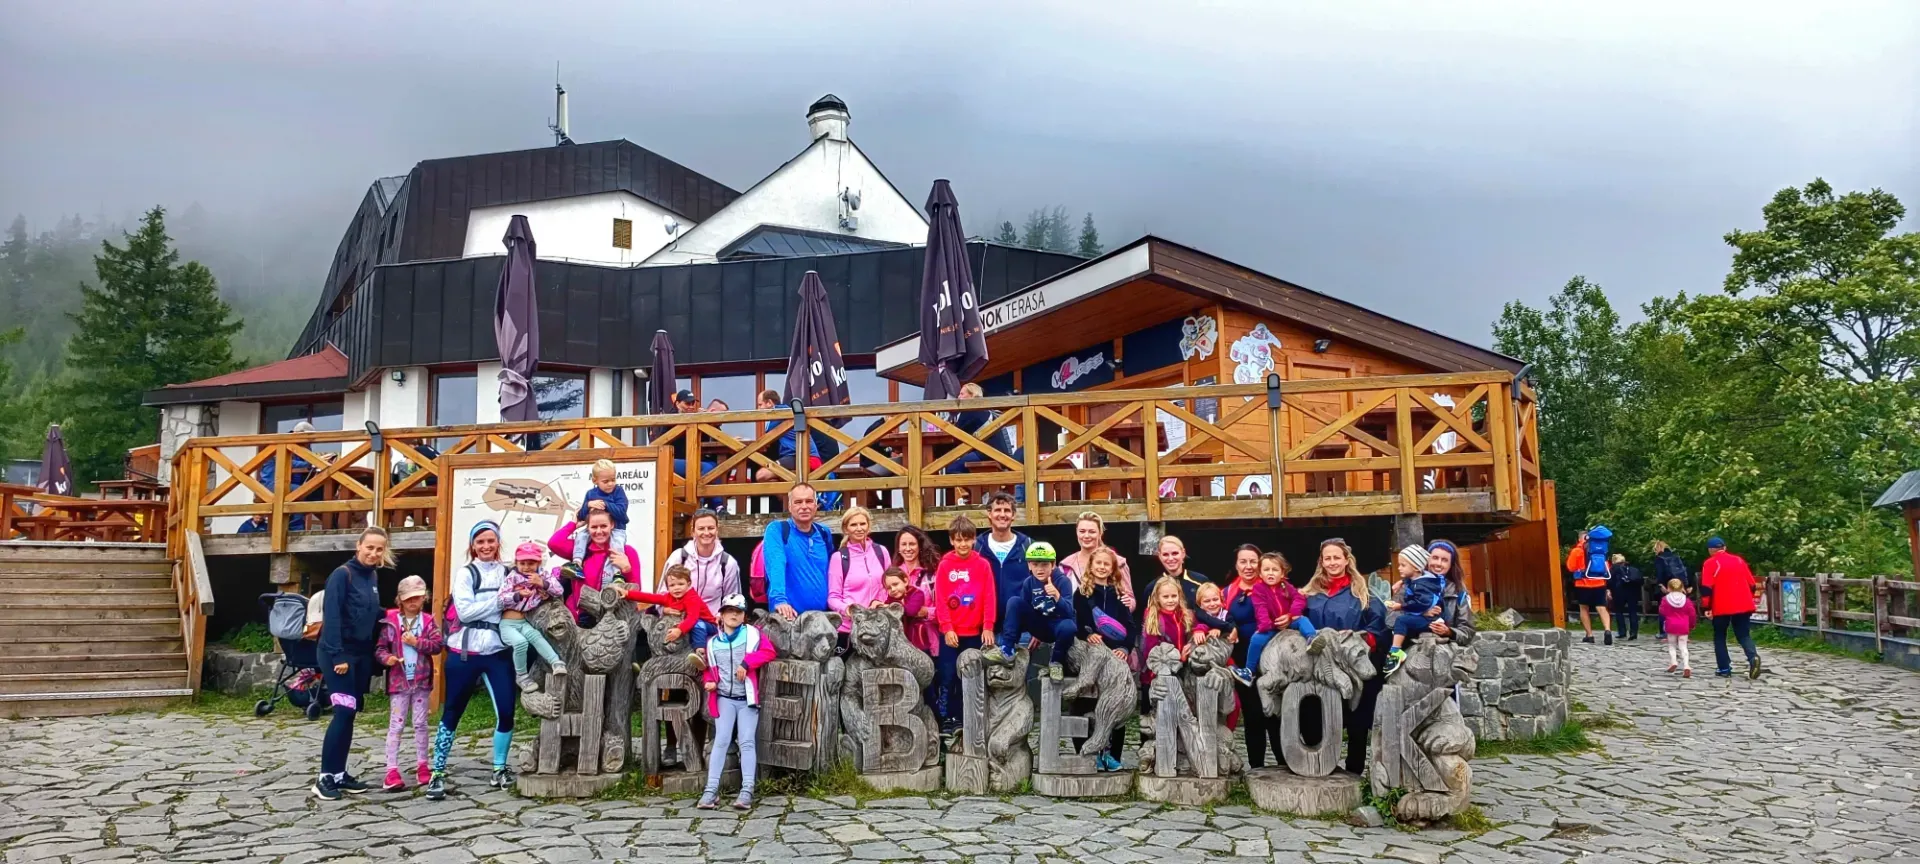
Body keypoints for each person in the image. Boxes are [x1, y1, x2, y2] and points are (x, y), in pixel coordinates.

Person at [427, 521, 519, 799]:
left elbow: (521, 600)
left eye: (491, 541)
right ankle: (438, 771)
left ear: (498, 542)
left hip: (497, 651)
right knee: (452, 711)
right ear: (472, 546)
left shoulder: (509, 572)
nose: (486, 546)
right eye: (480, 542)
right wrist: (501, 602)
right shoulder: (466, 573)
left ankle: (499, 768)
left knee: (506, 711)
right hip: (464, 652)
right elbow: (465, 613)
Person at [311, 526, 389, 801]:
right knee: (343, 712)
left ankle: (340, 774)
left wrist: (395, 614)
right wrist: (338, 656)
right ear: (359, 545)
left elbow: (370, 611)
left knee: (351, 712)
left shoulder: (373, 576)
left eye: (379, 549)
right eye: (369, 547)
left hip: (359, 654)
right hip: (337, 653)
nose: (374, 553)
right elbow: (332, 617)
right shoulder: (341, 575)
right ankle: (324, 778)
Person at [1302, 537, 1389, 775]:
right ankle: (1317, 766)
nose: (1332, 562)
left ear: (1346, 560)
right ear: (1321, 561)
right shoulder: (1310, 594)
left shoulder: (1362, 593)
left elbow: (1379, 626)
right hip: (1318, 666)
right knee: (1314, 716)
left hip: (1352, 665)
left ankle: (1353, 771)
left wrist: (1363, 638)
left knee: (1356, 720)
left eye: (1336, 557)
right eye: (1327, 558)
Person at [698, 592, 775, 811]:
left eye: (738, 611)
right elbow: (710, 670)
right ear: (721, 615)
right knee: (720, 741)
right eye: (729, 610)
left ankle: (747, 790)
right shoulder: (712, 643)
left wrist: (747, 663)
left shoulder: (753, 635)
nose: (733, 614)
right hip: (724, 698)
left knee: (747, 741)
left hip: (747, 699)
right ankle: (710, 791)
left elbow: (769, 652)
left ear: (744, 616)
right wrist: (710, 682)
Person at [375, 575, 443, 792]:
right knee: (396, 724)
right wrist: (388, 659)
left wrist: (417, 642)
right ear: (400, 600)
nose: (413, 602)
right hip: (399, 681)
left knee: (421, 724)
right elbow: (380, 649)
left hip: (421, 680)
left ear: (424, 598)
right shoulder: (390, 623)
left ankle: (423, 765)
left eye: (418, 598)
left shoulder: (428, 621)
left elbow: (437, 645)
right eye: (409, 598)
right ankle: (391, 770)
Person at [932, 514, 996, 734]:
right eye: (958, 540)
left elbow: (989, 596)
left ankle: (967, 718)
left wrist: (988, 626)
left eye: (967, 539)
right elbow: (940, 599)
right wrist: (947, 628)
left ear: (974, 540)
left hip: (974, 633)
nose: (962, 544)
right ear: (951, 541)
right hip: (951, 633)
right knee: (948, 676)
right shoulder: (945, 565)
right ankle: (948, 717)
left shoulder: (982, 565)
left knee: (969, 676)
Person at [1073, 545, 1133, 772]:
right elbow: (1076, 623)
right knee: (1086, 699)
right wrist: (1088, 634)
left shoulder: (1119, 595)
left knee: (1117, 700)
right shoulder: (1082, 593)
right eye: (1098, 563)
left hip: (1115, 654)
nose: (1102, 567)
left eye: (1106, 564)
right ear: (1091, 566)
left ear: (1112, 569)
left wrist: (1126, 649)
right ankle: (1086, 751)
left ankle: (1112, 754)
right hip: (1091, 652)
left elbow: (1130, 627)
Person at [996, 542, 1077, 680]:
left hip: (1057, 626)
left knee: (1069, 626)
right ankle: (1007, 648)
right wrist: (1019, 634)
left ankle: (1056, 662)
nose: (1039, 569)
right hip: (1039, 626)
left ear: (1053, 564)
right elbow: (1022, 612)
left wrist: (1057, 596)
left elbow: (1069, 613)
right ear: (1029, 565)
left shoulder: (1063, 581)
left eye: (1044, 564)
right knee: (1014, 602)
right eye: (1035, 564)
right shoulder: (1029, 583)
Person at [547, 510, 641, 621]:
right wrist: (574, 524)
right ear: (588, 528)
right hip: (579, 618)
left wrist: (627, 570)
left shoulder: (627, 552)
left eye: (603, 526)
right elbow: (554, 543)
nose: (599, 531)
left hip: (610, 620)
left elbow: (637, 592)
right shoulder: (581, 551)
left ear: (612, 525)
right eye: (594, 527)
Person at [499, 541, 567, 692]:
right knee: (520, 643)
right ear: (516, 562)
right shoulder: (513, 577)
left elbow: (559, 590)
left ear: (539, 562)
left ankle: (556, 663)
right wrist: (517, 595)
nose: (526, 567)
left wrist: (542, 583)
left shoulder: (542, 575)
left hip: (524, 622)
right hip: (507, 623)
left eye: (531, 563)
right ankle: (522, 676)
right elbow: (500, 599)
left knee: (536, 637)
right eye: (522, 563)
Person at [763, 483, 833, 619]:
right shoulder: (777, 529)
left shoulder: (824, 532)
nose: (804, 506)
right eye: (798, 502)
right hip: (789, 616)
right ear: (789, 506)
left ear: (816, 504)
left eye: (809, 501)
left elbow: (830, 570)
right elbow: (776, 564)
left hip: (821, 619)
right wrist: (779, 600)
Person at [1699, 537, 1762, 679]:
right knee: (1744, 635)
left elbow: (1707, 588)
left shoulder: (1710, 563)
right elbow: (1752, 584)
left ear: (1710, 550)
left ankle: (1724, 668)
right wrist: (1746, 597)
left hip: (1721, 605)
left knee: (1720, 636)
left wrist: (1706, 607)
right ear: (1724, 548)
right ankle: (1753, 657)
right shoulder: (1739, 560)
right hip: (1743, 604)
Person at [826, 506, 893, 638]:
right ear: (846, 529)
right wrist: (848, 609)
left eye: (862, 524)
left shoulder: (881, 552)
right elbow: (833, 597)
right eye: (853, 525)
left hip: (878, 627)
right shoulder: (838, 558)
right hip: (850, 629)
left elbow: (889, 585)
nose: (859, 528)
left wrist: (879, 602)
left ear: (869, 526)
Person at [630, 565, 719, 662]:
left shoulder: (692, 598)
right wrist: (627, 593)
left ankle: (701, 653)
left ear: (688, 584)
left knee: (698, 624)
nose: (676, 588)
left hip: (708, 625)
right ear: (667, 587)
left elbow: (692, 618)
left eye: (680, 584)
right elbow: (650, 597)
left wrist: (679, 630)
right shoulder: (669, 597)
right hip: (689, 625)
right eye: (672, 585)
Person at [662, 509, 741, 618]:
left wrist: (722, 616)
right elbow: (662, 593)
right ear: (693, 532)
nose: (706, 533)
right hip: (680, 620)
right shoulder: (678, 557)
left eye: (711, 528)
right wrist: (665, 609)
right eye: (701, 529)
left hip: (712, 623)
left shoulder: (728, 563)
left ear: (717, 530)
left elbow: (733, 600)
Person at [1385, 544, 1443, 675]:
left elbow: (1422, 603)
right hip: (1426, 616)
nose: (1399, 568)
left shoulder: (1421, 585)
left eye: (1403, 565)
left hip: (1431, 620)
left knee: (1401, 621)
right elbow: (1411, 580)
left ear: (1416, 567)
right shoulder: (1421, 578)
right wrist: (1401, 582)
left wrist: (1400, 606)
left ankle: (1395, 652)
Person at [1156, 536, 1228, 632]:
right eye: (1165, 554)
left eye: (1175, 553)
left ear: (1183, 553)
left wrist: (1228, 627)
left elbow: (1218, 610)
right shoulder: (1153, 587)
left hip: (1201, 638)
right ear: (1159, 556)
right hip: (1167, 642)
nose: (1170, 558)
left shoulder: (1201, 581)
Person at [1061, 511, 1133, 601]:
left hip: (1109, 615)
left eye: (1092, 532)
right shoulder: (1065, 565)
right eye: (1082, 531)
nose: (1086, 536)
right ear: (1076, 532)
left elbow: (1130, 598)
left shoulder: (1118, 562)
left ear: (1100, 533)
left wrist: (1127, 605)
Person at [570, 459, 629, 569]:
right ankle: (577, 563)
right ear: (595, 481)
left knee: (617, 545)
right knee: (581, 536)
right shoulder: (591, 494)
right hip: (594, 530)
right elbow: (582, 517)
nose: (611, 484)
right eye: (606, 481)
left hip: (617, 529)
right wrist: (588, 505)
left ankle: (617, 573)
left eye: (613, 479)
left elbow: (622, 513)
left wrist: (605, 504)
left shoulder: (619, 491)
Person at [754, 389, 822, 482]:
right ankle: (788, 496)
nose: (758, 409)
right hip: (801, 458)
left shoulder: (779, 413)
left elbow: (763, 439)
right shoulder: (784, 411)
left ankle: (787, 495)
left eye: (760, 405)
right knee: (775, 479)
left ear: (769, 403)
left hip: (806, 459)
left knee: (761, 475)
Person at [1566, 526, 1616, 644]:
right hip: (1599, 582)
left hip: (1583, 584)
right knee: (1601, 607)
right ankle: (1607, 630)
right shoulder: (1600, 549)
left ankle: (1589, 635)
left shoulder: (1577, 551)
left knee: (1584, 608)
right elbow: (1607, 567)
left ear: (1580, 538)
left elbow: (1570, 567)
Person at [1141, 576, 1196, 674]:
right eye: (1165, 597)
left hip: (1183, 668)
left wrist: (1199, 631)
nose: (1170, 600)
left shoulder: (1186, 615)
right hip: (1160, 673)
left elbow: (1199, 626)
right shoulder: (1153, 618)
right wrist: (1178, 658)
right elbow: (1151, 653)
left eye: (1174, 596)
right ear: (1157, 598)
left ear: (1179, 596)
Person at [886, 566, 940, 657]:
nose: (893, 589)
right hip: (902, 645)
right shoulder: (891, 599)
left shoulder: (916, 593)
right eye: (888, 588)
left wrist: (891, 607)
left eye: (895, 584)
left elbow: (910, 611)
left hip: (920, 643)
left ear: (905, 581)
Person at [1651, 540, 1692, 642]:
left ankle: (1664, 632)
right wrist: (1688, 585)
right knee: (1681, 609)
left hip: (1668, 585)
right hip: (1680, 585)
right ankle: (1683, 632)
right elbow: (1685, 570)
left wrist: (1661, 585)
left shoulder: (1659, 558)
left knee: (1665, 609)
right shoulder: (1676, 557)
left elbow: (1660, 573)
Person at [1658, 578, 1698, 677]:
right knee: (1683, 647)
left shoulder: (1665, 599)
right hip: (1683, 625)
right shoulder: (1687, 600)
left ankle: (1674, 662)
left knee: (1672, 645)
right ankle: (1686, 665)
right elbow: (1692, 614)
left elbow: (1662, 611)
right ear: (1682, 588)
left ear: (1668, 588)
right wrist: (1692, 625)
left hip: (1671, 625)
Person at [895, 524, 941, 597]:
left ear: (920, 546)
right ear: (898, 548)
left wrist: (927, 609)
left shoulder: (933, 574)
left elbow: (941, 604)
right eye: (904, 544)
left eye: (912, 544)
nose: (908, 548)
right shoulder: (893, 574)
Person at [1610, 553, 1645, 641]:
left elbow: (1610, 581)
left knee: (1619, 612)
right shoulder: (1633, 569)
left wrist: (1609, 590)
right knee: (1633, 612)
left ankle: (1622, 632)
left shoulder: (1614, 569)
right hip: (1632, 592)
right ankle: (1634, 632)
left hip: (1619, 592)